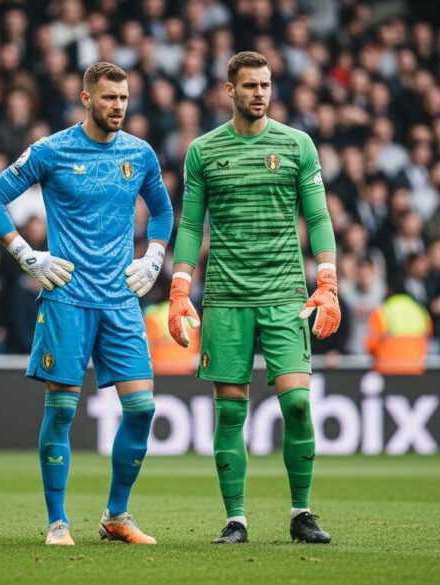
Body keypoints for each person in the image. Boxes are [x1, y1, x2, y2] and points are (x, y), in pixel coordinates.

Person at [0, 62, 173, 546]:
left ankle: (116, 516)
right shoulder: (52, 150)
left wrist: (153, 257)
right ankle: (58, 522)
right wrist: (26, 255)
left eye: (124, 98)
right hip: (66, 297)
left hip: (121, 299)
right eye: (109, 98)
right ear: (86, 98)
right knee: (62, 412)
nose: (119, 106)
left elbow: (165, 210)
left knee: (143, 408)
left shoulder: (140, 153)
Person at [167, 52, 339, 545]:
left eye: (265, 84)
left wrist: (326, 281)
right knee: (228, 412)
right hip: (225, 297)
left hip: (287, 294)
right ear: (229, 90)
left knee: (301, 405)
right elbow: (191, 225)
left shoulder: (297, 144)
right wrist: (180, 287)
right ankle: (236, 519)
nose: (259, 93)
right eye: (249, 86)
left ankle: (301, 513)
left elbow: (319, 217)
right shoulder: (203, 151)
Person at [365, 289, 432, 375]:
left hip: (386, 369)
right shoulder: (420, 311)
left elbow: (371, 343)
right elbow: (428, 337)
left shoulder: (382, 311)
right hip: (415, 368)